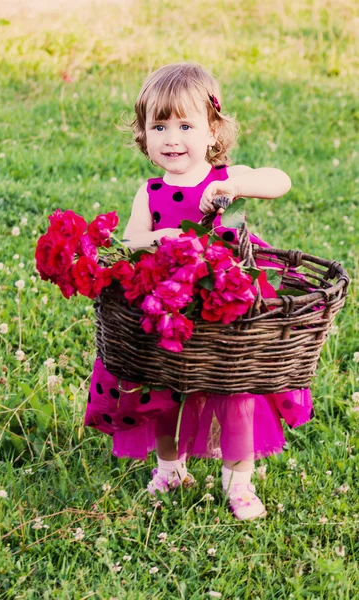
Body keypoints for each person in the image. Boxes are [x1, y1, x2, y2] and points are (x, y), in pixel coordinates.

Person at [85, 63, 314, 520]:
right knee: (164, 389)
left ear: (213, 132)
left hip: (221, 303)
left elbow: (280, 181)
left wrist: (235, 185)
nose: (172, 138)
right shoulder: (149, 193)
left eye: (186, 125)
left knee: (234, 393)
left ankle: (239, 482)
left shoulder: (222, 178)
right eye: (160, 126)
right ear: (144, 136)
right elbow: (129, 242)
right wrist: (159, 240)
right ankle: (169, 468)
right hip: (167, 307)